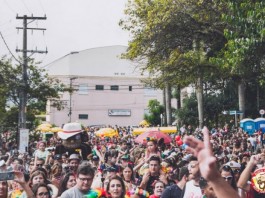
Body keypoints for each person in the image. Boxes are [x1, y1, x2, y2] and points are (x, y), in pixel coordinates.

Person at [184, 126, 240, 198]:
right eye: (211, 188)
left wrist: (215, 178)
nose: (213, 191)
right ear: (203, 191)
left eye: (229, 178)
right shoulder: (188, 185)